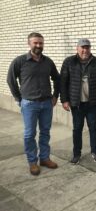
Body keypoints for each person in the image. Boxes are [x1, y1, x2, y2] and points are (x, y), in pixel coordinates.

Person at [7, 32, 60, 176]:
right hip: (29, 104)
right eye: (35, 43)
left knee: (45, 132)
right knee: (30, 134)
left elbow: (57, 79)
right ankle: (32, 162)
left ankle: (44, 158)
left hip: (47, 104)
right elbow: (11, 80)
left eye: (41, 43)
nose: (38, 45)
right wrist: (19, 99)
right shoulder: (20, 61)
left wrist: (55, 96)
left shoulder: (48, 62)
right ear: (29, 43)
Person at [60, 38, 96, 165]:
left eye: (87, 47)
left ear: (90, 49)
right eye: (82, 47)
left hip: (92, 102)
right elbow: (63, 82)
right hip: (76, 103)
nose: (85, 50)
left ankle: (95, 152)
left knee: (93, 128)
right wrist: (64, 100)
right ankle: (76, 154)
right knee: (77, 129)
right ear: (77, 48)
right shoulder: (69, 62)